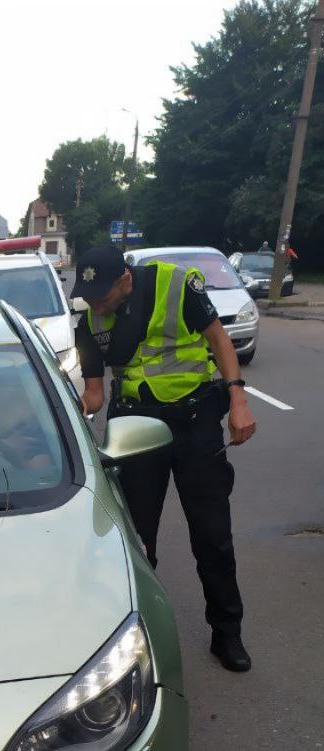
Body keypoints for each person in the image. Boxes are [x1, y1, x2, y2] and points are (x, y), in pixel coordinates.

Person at [72, 244, 257, 673]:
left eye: (104, 293)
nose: (97, 303)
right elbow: (96, 393)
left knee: (212, 534)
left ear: (126, 278)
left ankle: (227, 634)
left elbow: (219, 340)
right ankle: (137, 642)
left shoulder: (176, 286)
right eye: (90, 296)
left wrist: (239, 399)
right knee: (137, 543)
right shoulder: (91, 323)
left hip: (195, 420)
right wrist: (69, 414)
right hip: (137, 429)